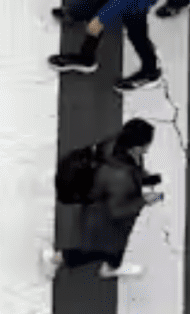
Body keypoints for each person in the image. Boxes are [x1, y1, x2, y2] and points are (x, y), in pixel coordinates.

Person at [41, 118, 163, 280]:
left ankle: (111, 266)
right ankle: (54, 259)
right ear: (136, 147)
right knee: (91, 252)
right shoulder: (119, 176)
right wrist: (144, 200)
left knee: (112, 248)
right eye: (147, 145)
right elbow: (118, 211)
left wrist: (144, 178)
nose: (148, 149)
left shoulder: (116, 146)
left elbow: (130, 168)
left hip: (102, 204)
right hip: (100, 218)